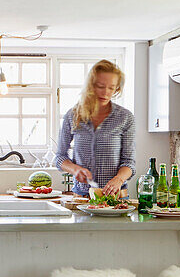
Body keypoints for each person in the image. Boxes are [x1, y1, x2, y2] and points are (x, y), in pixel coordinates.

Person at [54, 59, 136, 198]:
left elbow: (129, 162)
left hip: (116, 197)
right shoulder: (73, 115)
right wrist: (75, 169)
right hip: (82, 196)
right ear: (90, 86)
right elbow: (60, 157)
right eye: (100, 86)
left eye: (111, 87)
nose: (106, 92)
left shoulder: (125, 117)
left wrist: (118, 179)